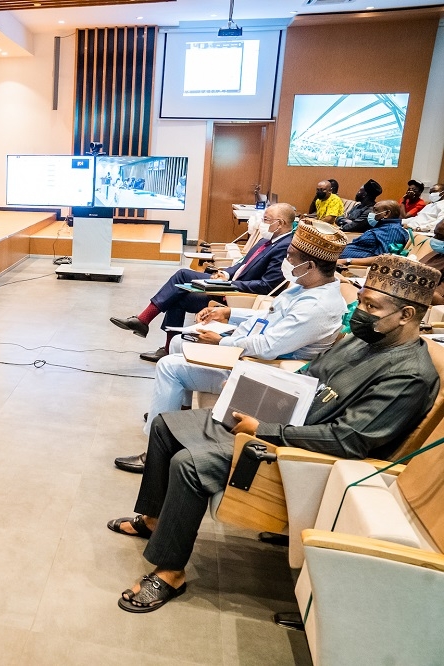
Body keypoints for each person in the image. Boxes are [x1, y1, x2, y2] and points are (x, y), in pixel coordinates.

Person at [107, 254, 440, 613]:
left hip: (301, 454)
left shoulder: (409, 375)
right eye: (360, 301)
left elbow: (347, 440)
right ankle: (155, 520)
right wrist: (261, 391)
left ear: (406, 315)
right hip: (286, 422)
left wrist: (263, 429)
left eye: (370, 306)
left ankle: (171, 571)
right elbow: (310, 376)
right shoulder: (362, 341)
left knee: (190, 464)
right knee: (165, 425)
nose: (358, 311)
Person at [115, 222, 348, 474]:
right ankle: (174, 420)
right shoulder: (307, 288)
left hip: (268, 375)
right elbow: (268, 316)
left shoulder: (317, 307)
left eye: (290, 255)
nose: (286, 259)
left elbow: (268, 346)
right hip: (253, 358)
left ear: (310, 265)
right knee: (182, 342)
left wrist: (221, 341)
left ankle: (155, 455)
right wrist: (229, 313)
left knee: (169, 367)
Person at [111, 203, 295, 363]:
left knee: (182, 274)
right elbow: (241, 265)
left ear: (280, 223)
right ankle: (167, 348)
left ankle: (143, 320)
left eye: (266, 219)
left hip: (236, 297)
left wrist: (230, 285)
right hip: (228, 287)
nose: (261, 222)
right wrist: (224, 273)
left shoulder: (283, 247)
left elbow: (267, 285)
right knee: (178, 295)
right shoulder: (266, 240)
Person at [338, 200, 408, 263]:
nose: (371, 213)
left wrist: (347, 261)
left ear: (386, 214)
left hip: (347, 265)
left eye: (375, 210)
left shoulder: (393, 230)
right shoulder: (382, 226)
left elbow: (382, 259)